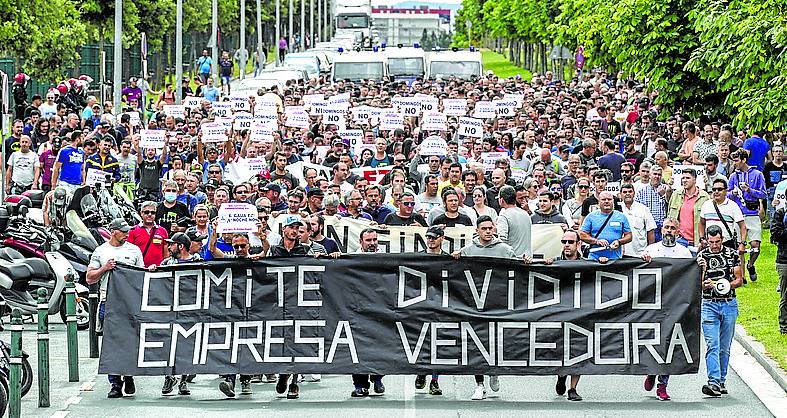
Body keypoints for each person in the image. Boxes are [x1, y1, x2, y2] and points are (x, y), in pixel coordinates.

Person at [453, 215, 517, 400]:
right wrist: (455, 258)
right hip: (474, 306)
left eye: (491, 228)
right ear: (477, 230)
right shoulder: (468, 250)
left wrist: (526, 260)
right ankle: (479, 384)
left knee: (495, 342)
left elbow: (520, 270)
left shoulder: (505, 250)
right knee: (476, 344)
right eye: (484, 228)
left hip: (498, 304)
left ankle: (494, 371)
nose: (488, 231)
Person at [86, 219, 145, 398]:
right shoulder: (101, 251)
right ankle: (115, 383)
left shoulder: (134, 250)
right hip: (108, 301)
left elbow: (141, 275)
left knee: (128, 340)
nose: (127, 234)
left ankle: (128, 374)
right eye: (123, 231)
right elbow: (89, 278)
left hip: (129, 302)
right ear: (113, 231)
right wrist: (105, 268)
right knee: (111, 342)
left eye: (128, 231)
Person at [640, 218, 693, 401]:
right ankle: (651, 372)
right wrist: (644, 261)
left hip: (674, 304)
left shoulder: (684, 253)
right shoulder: (651, 250)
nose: (669, 231)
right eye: (666, 228)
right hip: (653, 304)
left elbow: (689, 277)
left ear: (678, 232)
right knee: (653, 340)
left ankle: (663, 384)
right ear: (661, 230)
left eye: (673, 228)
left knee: (670, 343)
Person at [270, 215, 316, 399]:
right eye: (292, 227)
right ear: (284, 230)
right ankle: (283, 374)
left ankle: (295, 381)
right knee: (281, 340)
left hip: (299, 301)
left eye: (298, 227)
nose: (295, 231)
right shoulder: (274, 250)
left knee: (298, 340)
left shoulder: (305, 250)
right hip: (278, 302)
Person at [697, 225, 743, 397]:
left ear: (722, 239)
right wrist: (704, 282)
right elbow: (697, 283)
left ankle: (722, 381)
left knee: (724, 346)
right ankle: (713, 381)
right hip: (709, 303)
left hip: (729, 303)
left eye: (717, 242)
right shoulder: (702, 256)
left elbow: (739, 279)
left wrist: (724, 285)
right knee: (712, 344)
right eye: (711, 242)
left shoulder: (731, 254)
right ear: (706, 240)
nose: (714, 245)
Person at [159, 232, 200, 396]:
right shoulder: (167, 262)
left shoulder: (197, 261)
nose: (169, 247)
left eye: (172, 244)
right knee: (168, 344)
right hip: (171, 309)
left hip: (191, 310)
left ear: (181, 246)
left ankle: (183, 381)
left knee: (187, 345)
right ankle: (169, 376)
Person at [551, 229, 585, 401]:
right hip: (559, 314)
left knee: (579, 350)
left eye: (570, 242)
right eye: (564, 241)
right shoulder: (554, 263)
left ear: (578, 244)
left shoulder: (587, 264)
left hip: (581, 315)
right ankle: (561, 375)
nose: (566, 245)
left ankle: (573, 388)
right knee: (561, 349)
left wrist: (603, 263)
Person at [351, 228, 385, 397]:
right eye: (368, 240)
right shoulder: (351, 258)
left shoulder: (386, 258)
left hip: (380, 309)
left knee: (380, 345)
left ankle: (377, 377)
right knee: (357, 348)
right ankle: (359, 384)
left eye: (374, 240)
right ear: (361, 242)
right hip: (358, 309)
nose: (372, 243)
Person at [413, 225, 446, 396]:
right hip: (421, 306)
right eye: (428, 237)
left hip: (441, 307)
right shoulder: (418, 257)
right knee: (420, 342)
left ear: (442, 238)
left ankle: (434, 380)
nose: (431, 240)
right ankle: (421, 372)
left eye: (434, 237)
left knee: (437, 345)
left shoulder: (449, 259)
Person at [727, 149, 766, 281]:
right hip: (738, 214)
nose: (734, 163)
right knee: (740, 247)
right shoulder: (733, 176)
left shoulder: (757, 174)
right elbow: (726, 194)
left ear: (744, 160)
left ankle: (750, 265)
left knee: (755, 246)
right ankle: (742, 276)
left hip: (752, 213)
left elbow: (763, 194)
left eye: (737, 161)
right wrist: (733, 193)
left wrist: (750, 190)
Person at [580, 191, 632, 262]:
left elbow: (629, 236)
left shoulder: (621, 217)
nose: (606, 201)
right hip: (594, 258)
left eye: (609, 199)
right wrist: (596, 241)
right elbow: (582, 235)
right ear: (599, 202)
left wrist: (619, 242)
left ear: (613, 201)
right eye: (603, 199)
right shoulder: (591, 216)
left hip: (615, 259)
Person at [667, 168, 709, 250]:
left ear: (694, 180)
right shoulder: (676, 194)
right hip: (679, 239)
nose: (684, 180)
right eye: (683, 178)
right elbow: (669, 216)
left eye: (687, 178)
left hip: (697, 241)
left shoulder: (704, 196)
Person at [127, 201, 169, 268]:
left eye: (152, 212)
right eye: (146, 212)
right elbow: (128, 252)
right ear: (141, 213)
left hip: (158, 270)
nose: (149, 214)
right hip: (139, 270)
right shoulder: (133, 231)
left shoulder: (163, 231)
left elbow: (166, 254)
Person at [496, 185, 532, 257]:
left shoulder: (504, 215)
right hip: (528, 259)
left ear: (501, 200)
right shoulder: (525, 213)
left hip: (513, 260)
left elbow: (502, 239)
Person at [769, 204, 787, 334]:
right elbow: (775, 235)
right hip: (784, 260)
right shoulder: (780, 213)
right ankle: (784, 326)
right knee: (785, 295)